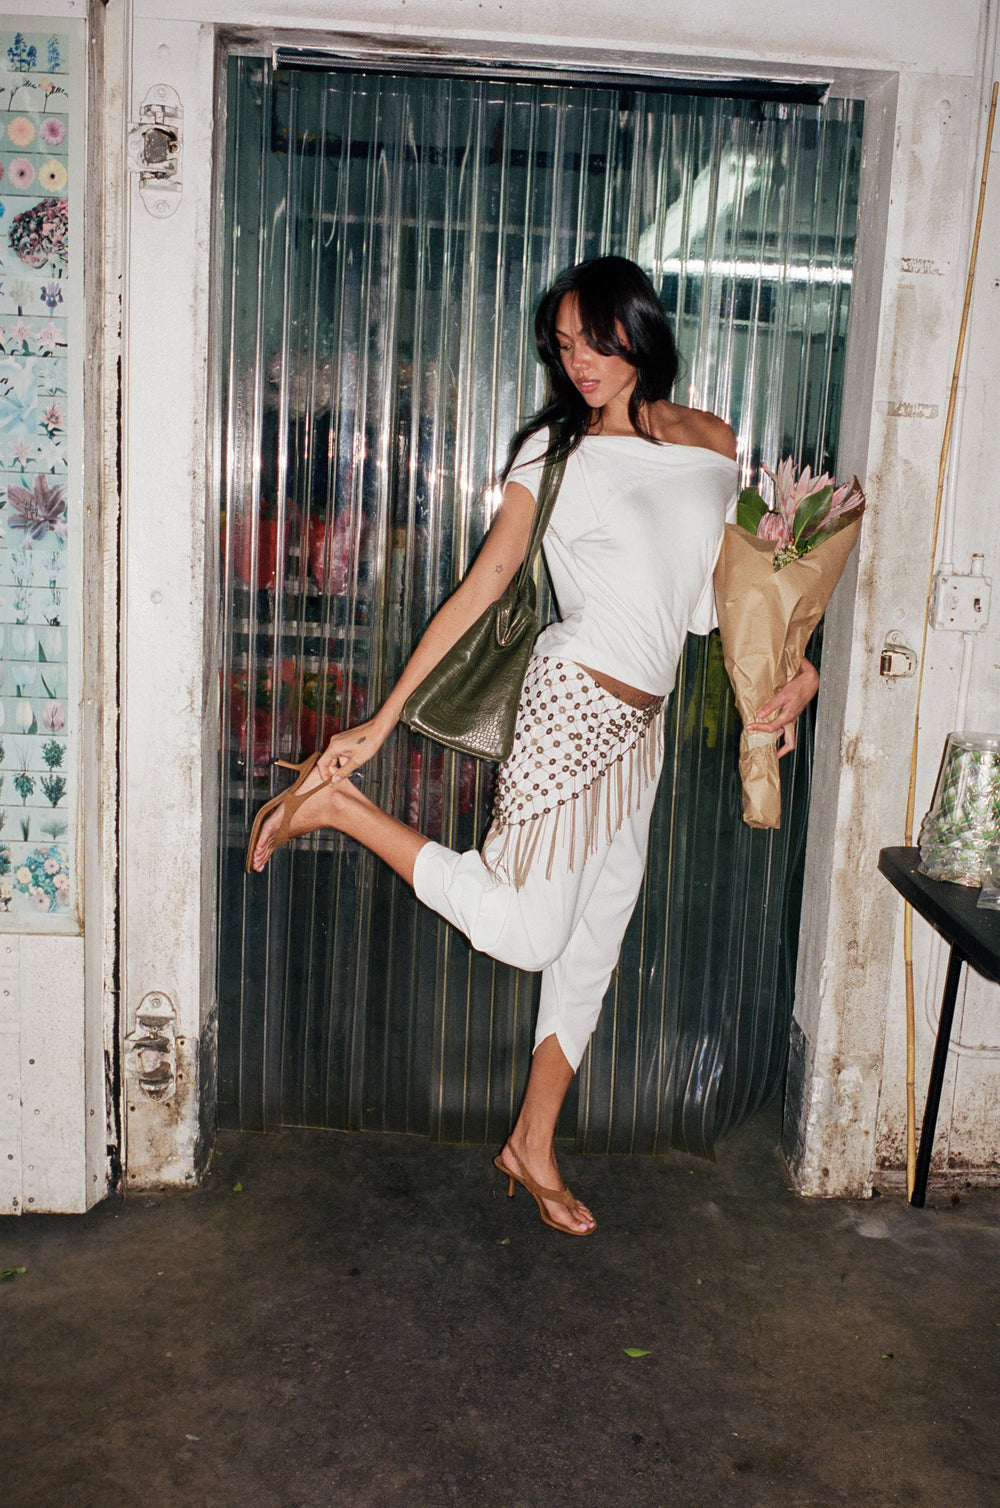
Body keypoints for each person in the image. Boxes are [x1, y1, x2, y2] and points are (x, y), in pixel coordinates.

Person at [248, 256, 819, 1235]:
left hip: (642, 726)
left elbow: (727, 601)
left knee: (594, 939)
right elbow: (484, 582)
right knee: (525, 931)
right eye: (563, 346)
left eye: (593, 340)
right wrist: (379, 723)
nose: (578, 362)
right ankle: (340, 809)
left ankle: (532, 1142)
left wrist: (793, 675)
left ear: (638, 329)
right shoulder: (553, 452)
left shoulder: (713, 443)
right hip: (571, 702)